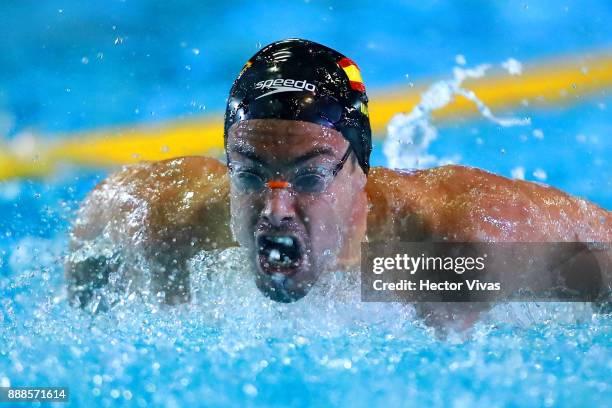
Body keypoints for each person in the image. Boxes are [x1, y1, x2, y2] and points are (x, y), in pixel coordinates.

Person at [66, 39, 611, 317]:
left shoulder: (430, 254)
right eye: (252, 174)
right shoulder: (172, 224)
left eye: (309, 178)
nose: (274, 210)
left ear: (360, 175)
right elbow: (91, 234)